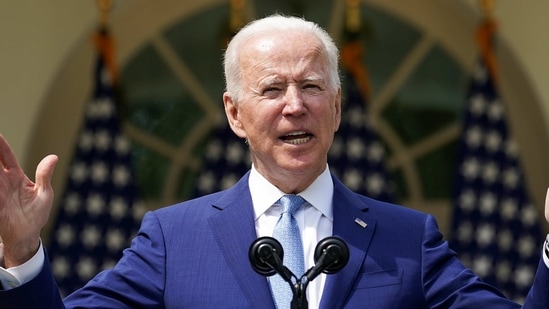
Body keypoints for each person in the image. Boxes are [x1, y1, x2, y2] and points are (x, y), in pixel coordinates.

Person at [1, 14, 549, 309]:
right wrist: (24, 254)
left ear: (336, 108)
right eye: (273, 89)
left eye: (312, 86)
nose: (295, 104)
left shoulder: (410, 240)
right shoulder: (173, 240)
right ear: (235, 114)